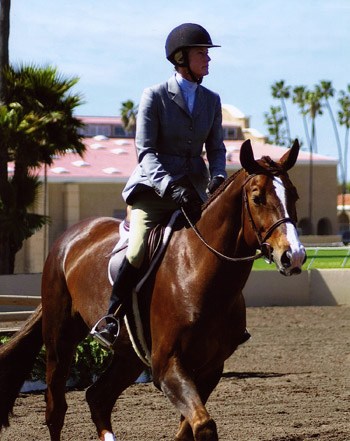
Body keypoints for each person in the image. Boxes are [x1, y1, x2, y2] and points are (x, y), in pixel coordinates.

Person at [92, 23, 229, 348]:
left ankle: (227, 320)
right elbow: (146, 152)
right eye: (202, 54)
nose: (208, 59)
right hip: (153, 194)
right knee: (138, 248)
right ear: (181, 58)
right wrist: (170, 187)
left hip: (194, 193)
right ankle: (111, 317)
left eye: (207, 54)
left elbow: (217, 149)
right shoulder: (154, 96)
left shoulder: (212, 100)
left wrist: (218, 176)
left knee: (219, 247)